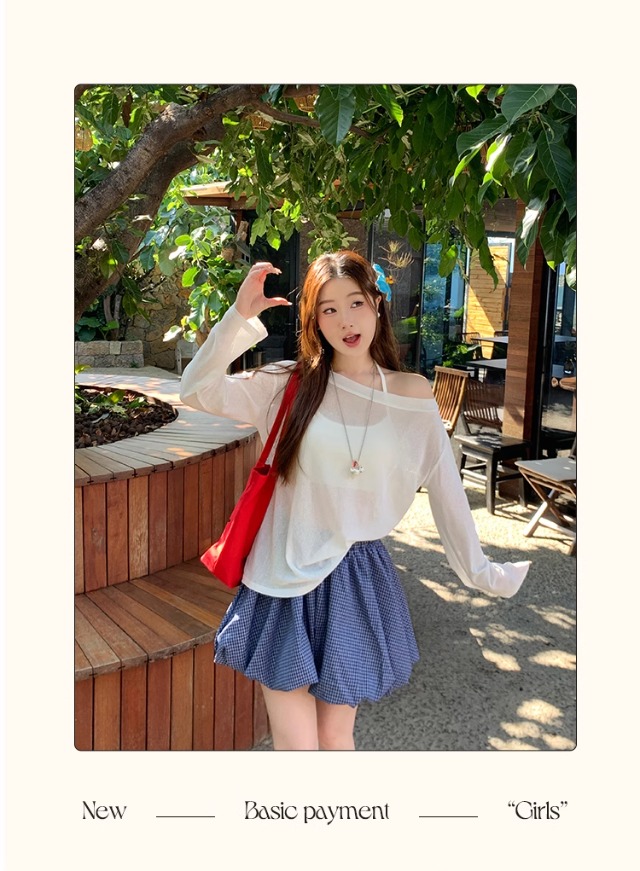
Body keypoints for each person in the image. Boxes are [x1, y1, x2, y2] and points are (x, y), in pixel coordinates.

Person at [179, 251, 530, 751]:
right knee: (297, 745)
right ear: (314, 320)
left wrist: (480, 571)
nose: (345, 321)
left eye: (355, 303)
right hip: (282, 572)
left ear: (377, 304)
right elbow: (196, 389)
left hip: (354, 575)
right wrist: (239, 316)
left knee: (335, 735)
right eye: (328, 309)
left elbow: (445, 484)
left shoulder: (410, 393)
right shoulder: (286, 385)